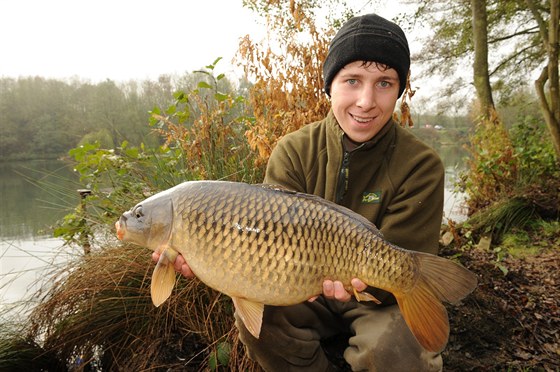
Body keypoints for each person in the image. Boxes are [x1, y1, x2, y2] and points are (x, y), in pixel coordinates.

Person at [155, 13, 445, 371]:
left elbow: (400, 266)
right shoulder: (293, 150)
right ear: (330, 85)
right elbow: (263, 253)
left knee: (395, 353)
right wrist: (210, 259)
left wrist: (363, 279)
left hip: (380, 296)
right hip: (298, 287)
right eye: (352, 80)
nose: (366, 101)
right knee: (258, 326)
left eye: (384, 83)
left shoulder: (421, 164)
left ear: (399, 90)